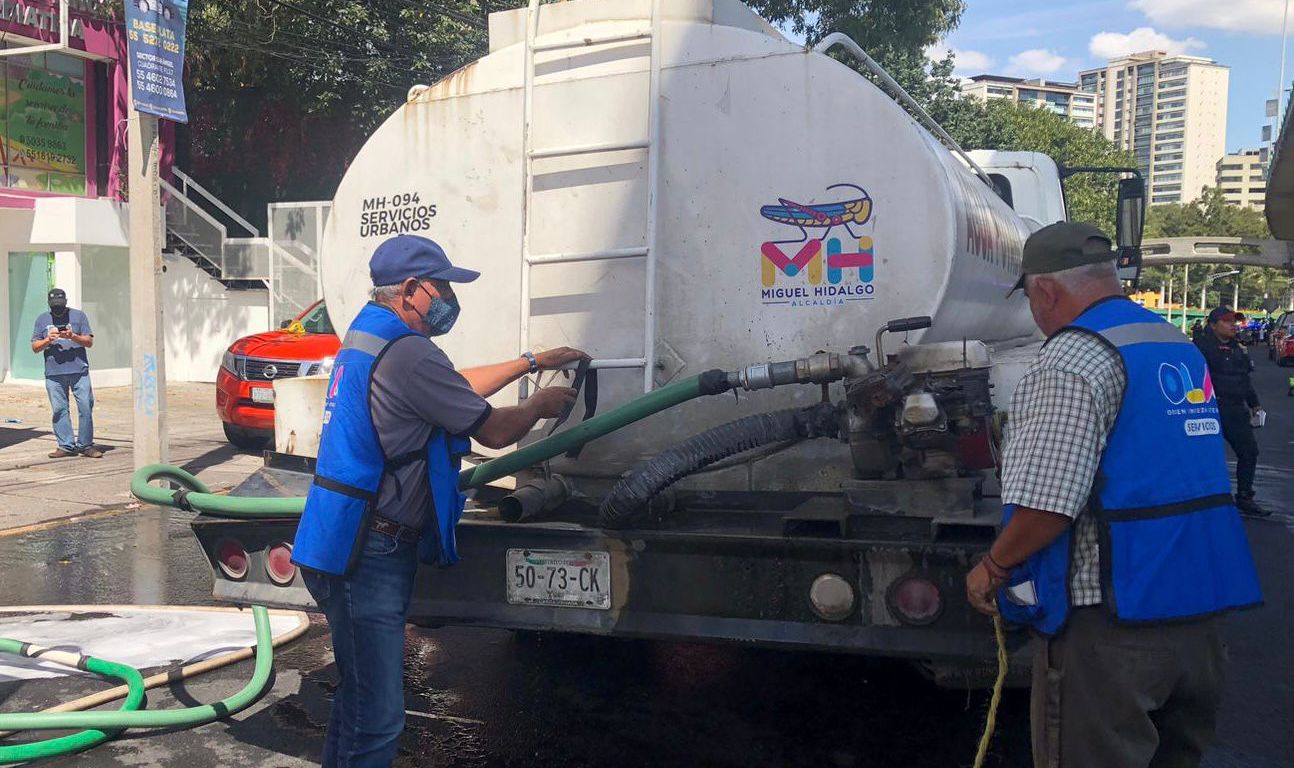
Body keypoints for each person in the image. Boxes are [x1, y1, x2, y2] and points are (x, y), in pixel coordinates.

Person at [964, 222, 1262, 768]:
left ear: (1046, 289)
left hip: (1113, 624)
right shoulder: (1174, 344)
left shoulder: (1071, 360)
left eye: (1030, 298)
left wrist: (993, 566)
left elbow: (1048, 507)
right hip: (1198, 608)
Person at [291, 234, 589, 767]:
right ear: (411, 290)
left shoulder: (369, 333)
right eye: (442, 288)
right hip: (370, 551)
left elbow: (450, 386)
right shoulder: (409, 352)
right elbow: (494, 431)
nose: (450, 299)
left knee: (358, 705)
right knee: (378, 719)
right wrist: (539, 404)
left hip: (343, 537)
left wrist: (528, 362)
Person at [1196, 307, 1267, 516]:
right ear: (1213, 325)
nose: (1232, 325)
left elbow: (1244, 380)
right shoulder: (1200, 347)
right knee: (1204, 455)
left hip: (1235, 409)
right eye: (1227, 321)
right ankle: (1198, 498)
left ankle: (1244, 497)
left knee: (1249, 451)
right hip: (1208, 409)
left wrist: (1255, 404)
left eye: (1234, 321)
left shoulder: (1239, 348)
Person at [29, 288, 102, 459]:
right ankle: (66, 445)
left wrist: (72, 336)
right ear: (49, 304)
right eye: (54, 306)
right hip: (54, 373)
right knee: (59, 409)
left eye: (60, 305)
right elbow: (35, 347)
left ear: (66, 302)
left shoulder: (79, 316)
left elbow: (89, 341)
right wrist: (48, 339)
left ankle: (86, 445)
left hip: (79, 371)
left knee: (85, 407)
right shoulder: (42, 319)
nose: (58, 309)